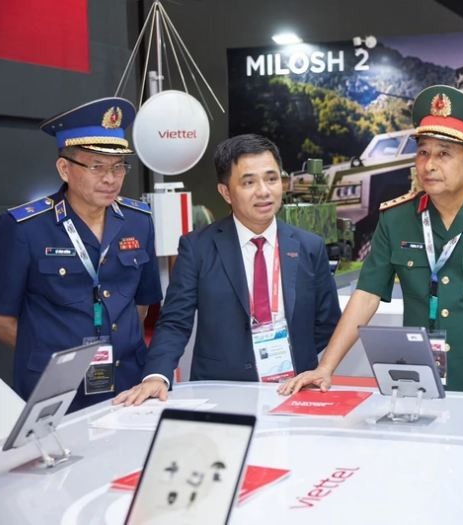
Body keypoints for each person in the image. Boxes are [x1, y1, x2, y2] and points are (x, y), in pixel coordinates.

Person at [279, 85, 463, 396]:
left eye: (444, 154)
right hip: (417, 381)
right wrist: (326, 368)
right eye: (423, 152)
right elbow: (366, 295)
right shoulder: (396, 218)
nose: (429, 165)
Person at [113, 134, 341, 405]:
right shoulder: (197, 247)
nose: (264, 191)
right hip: (220, 392)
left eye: (271, 178)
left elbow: (326, 322)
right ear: (225, 192)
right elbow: (175, 321)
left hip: (294, 390)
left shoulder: (309, 246)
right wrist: (156, 376)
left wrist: (290, 353)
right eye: (248, 182)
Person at [0, 97, 162, 411]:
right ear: (65, 169)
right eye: (97, 167)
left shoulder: (139, 221)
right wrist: (51, 356)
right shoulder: (25, 228)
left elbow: (141, 305)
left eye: (118, 166)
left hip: (128, 383)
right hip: (55, 390)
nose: (110, 179)